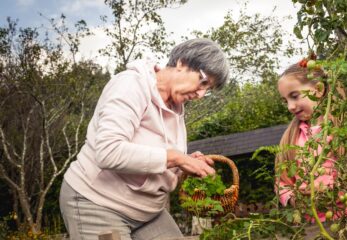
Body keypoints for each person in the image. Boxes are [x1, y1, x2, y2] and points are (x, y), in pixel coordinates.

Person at [59, 38, 230, 239]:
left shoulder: (175, 106)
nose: (201, 94)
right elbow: (108, 152)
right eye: (203, 82)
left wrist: (186, 162)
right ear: (181, 63)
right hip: (98, 202)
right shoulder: (131, 85)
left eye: (208, 89)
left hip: (147, 212)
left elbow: (154, 157)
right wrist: (177, 158)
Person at [275, 61, 347, 221]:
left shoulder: (346, 131)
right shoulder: (290, 139)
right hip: (312, 226)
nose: (290, 106)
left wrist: (335, 191)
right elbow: (282, 183)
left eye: (294, 96)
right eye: (285, 101)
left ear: (318, 89)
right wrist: (294, 199)